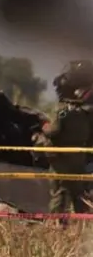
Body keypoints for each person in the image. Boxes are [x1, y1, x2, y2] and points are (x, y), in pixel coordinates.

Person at [39, 72, 93, 216]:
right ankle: (85, 221)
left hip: (61, 159)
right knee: (78, 191)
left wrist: (44, 126)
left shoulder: (62, 111)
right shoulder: (85, 112)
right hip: (79, 156)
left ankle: (57, 223)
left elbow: (54, 131)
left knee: (60, 191)